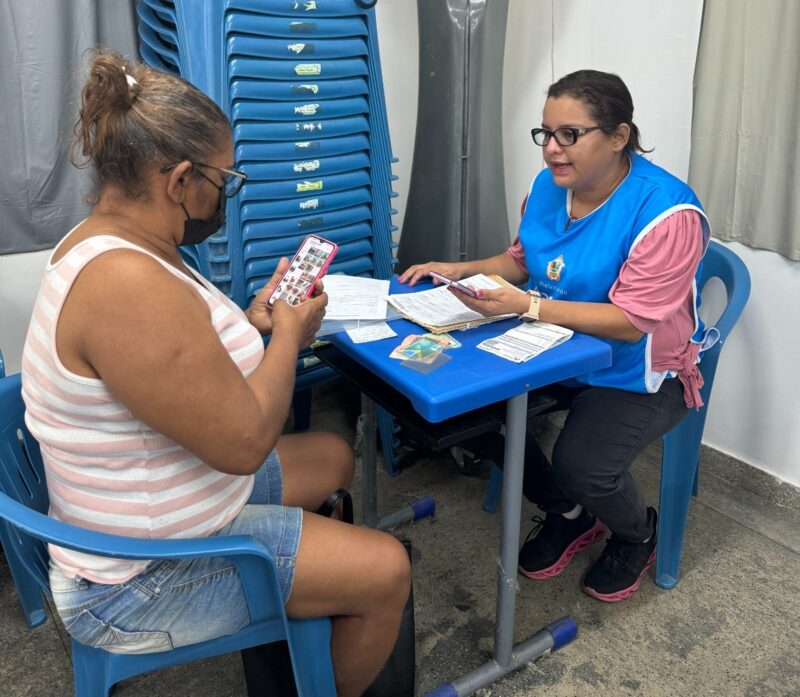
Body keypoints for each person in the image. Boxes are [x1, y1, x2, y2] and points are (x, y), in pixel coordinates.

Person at [20, 49, 410, 697]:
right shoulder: (126, 284)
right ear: (179, 181)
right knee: (387, 570)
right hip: (137, 578)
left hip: (155, 502)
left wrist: (252, 324)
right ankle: (329, 642)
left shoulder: (112, 238)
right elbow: (243, 444)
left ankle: (310, 612)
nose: (225, 194)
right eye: (224, 181)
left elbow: (167, 360)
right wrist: (289, 336)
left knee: (333, 457)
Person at [400, 69, 710, 603]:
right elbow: (521, 260)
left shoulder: (667, 212)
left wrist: (531, 306)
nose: (552, 150)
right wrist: (458, 269)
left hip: (638, 370)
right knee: (459, 409)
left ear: (618, 136)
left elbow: (631, 323)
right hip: (552, 347)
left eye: (570, 134)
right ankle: (568, 512)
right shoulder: (550, 187)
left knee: (581, 464)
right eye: (545, 133)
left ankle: (637, 532)